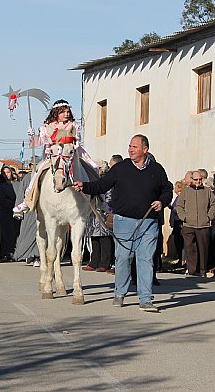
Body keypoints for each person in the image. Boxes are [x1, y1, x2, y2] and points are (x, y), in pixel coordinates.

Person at [73, 134, 172, 313]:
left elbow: (167, 190)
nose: (130, 149)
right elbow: (102, 185)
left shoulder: (157, 170)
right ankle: (119, 293)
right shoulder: (121, 168)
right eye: (129, 146)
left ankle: (145, 299)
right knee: (124, 258)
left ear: (145, 149)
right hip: (124, 221)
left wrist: (162, 202)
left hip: (149, 222)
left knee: (146, 260)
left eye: (134, 147)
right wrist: (84, 186)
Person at [13, 99, 97, 218]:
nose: (67, 114)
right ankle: (27, 200)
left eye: (68, 111)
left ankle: (101, 200)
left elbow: (76, 139)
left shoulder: (73, 125)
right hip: (53, 156)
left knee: (94, 168)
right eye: (63, 112)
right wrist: (33, 136)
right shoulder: (47, 126)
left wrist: (73, 146)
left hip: (72, 154)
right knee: (37, 173)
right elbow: (40, 141)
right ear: (56, 112)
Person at [176, 170, 215, 277]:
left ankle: (203, 270)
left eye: (200, 179)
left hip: (203, 225)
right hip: (188, 225)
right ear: (192, 180)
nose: (198, 182)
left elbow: (214, 204)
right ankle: (191, 270)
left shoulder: (207, 191)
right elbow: (179, 205)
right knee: (189, 248)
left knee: (203, 248)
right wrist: (184, 217)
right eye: (196, 179)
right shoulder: (186, 191)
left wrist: (209, 216)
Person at [0, 166, 17, 261]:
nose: (6, 174)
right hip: (5, 212)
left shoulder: (17, 184)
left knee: (14, 232)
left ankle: (9, 250)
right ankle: (7, 252)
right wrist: (12, 205)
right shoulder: (1, 186)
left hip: (16, 211)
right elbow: (0, 199)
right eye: (4, 173)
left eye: (8, 172)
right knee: (6, 232)